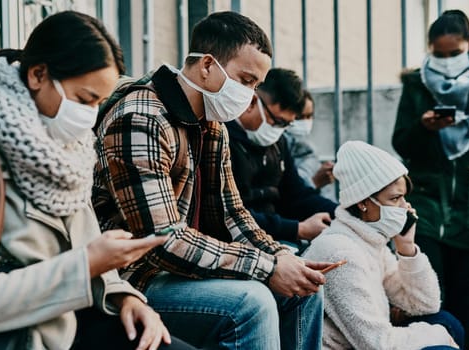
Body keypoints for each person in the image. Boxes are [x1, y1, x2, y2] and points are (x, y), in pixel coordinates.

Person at [0, 11, 196, 350]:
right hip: (17, 337)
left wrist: (125, 299)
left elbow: (85, 245)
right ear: (38, 74)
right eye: (84, 99)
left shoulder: (70, 151)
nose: (89, 115)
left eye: (99, 103)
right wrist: (87, 264)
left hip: (69, 325)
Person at [93, 11, 334, 350]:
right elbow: (162, 240)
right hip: (134, 280)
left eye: (256, 85)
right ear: (207, 66)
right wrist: (267, 267)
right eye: (246, 80)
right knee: (252, 303)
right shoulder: (141, 118)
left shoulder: (211, 122)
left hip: (180, 270)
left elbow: (232, 212)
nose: (250, 96)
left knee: (304, 291)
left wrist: (282, 257)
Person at [303, 140, 464, 350]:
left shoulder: (370, 240)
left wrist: (407, 249)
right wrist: (434, 335)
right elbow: (377, 344)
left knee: (447, 323)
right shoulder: (340, 252)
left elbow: (426, 304)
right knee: (440, 341)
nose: (405, 207)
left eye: (404, 197)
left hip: (369, 342)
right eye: (395, 199)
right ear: (363, 202)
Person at [392, 9, 469, 347]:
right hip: (427, 203)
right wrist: (424, 128)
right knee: (431, 299)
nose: (447, 62)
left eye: (455, 54)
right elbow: (401, 142)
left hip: (468, 208)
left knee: (467, 298)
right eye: (439, 55)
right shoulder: (416, 84)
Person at [225, 68, 337, 247]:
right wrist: (297, 229)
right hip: (241, 244)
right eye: (278, 122)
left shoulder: (278, 143)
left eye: (287, 124)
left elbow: (296, 194)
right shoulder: (221, 141)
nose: (279, 130)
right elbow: (229, 215)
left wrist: (342, 213)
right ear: (252, 103)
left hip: (280, 239)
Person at [284, 90, 336, 200]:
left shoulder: (308, 147)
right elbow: (288, 195)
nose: (305, 122)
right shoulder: (280, 148)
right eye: (298, 117)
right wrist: (314, 182)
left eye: (309, 116)